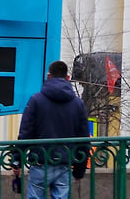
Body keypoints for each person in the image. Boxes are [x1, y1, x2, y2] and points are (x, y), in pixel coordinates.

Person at [13, 61, 89, 199]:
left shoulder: (36, 100)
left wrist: (16, 160)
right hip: (65, 164)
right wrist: (79, 170)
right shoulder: (78, 103)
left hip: (40, 161)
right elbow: (84, 139)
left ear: (48, 76)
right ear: (68, 77)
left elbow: (25, 133)